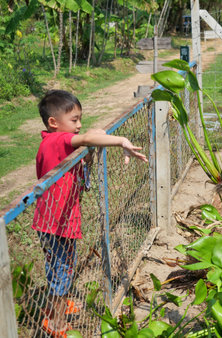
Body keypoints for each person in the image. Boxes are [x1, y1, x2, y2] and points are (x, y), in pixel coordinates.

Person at [32, 89, 147, 337]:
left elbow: (92, 135)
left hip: (63, 219)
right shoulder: (55, 141)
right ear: (53, 122)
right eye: (74, 120)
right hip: (55, 222)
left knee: (64, 267)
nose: (79, 125)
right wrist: (121, 141)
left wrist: (104, 135)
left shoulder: (58, 139)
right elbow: (86, 138)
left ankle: (57, 307)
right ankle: (56, 323)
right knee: (60, 272)